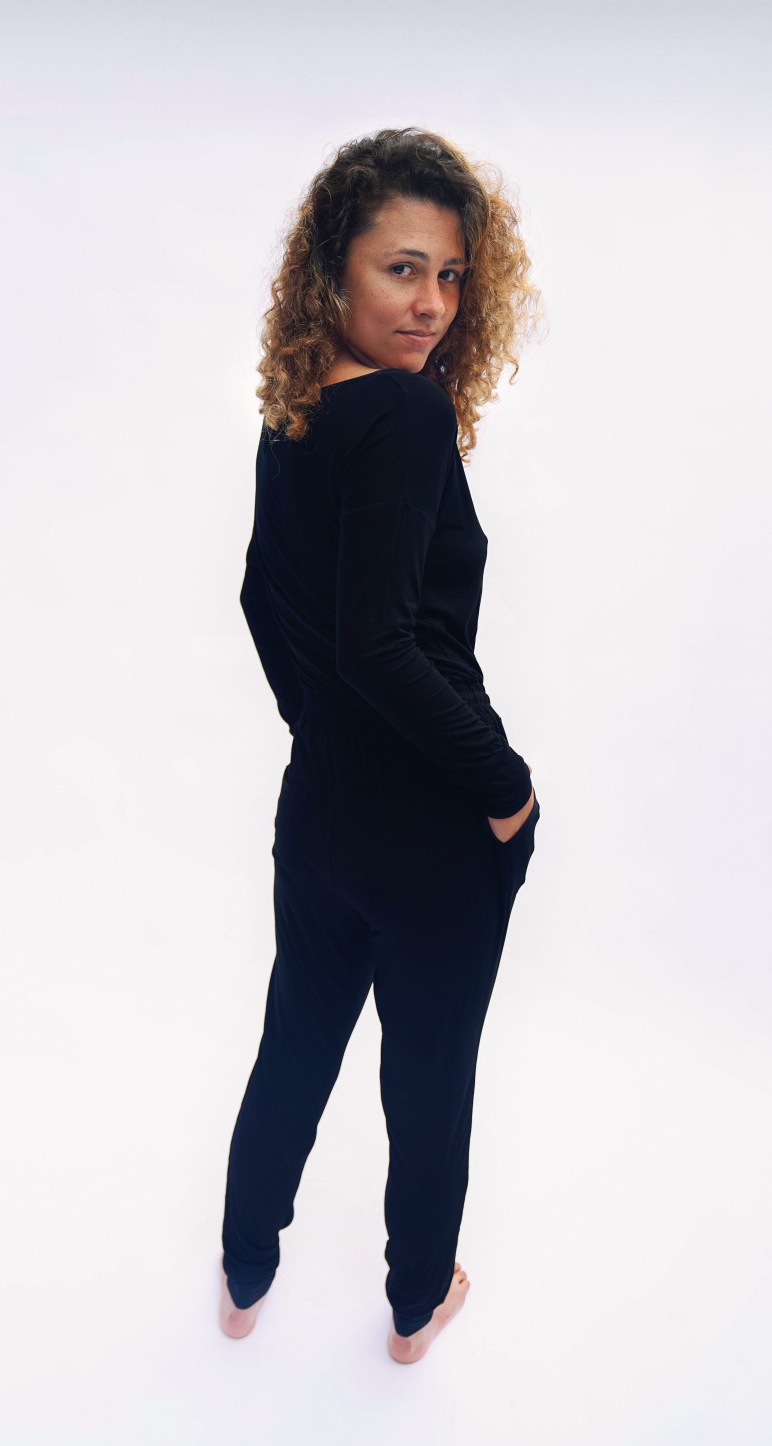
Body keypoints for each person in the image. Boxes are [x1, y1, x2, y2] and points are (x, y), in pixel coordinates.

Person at [219, 125, 545, 1364]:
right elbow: (380, 646)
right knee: (428, 1080)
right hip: (433, 828)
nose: (432, 304)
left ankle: (243, 1278)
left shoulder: (296, 413)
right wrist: (504, 788)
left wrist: (320, 736)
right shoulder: (406, 413)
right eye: (401, 269)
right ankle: (414, 1313)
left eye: (451, 275)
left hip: (320, 815)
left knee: (296, 1044)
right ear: (332, 271)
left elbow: (261, 599)